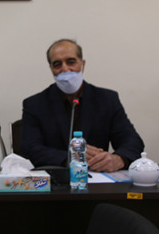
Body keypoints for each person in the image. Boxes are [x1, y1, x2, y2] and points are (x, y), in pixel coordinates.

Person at [19, 39, 144, 171]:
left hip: (97, 177)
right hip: (55, 179)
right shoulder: (34, 104)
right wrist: (71, 157)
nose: (65, 69)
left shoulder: (107, 99)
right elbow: (29, 149)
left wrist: (118, 159)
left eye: (71, 62)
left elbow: (133, 141)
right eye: (57, 64)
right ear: (51, 69)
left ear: (82, 64)